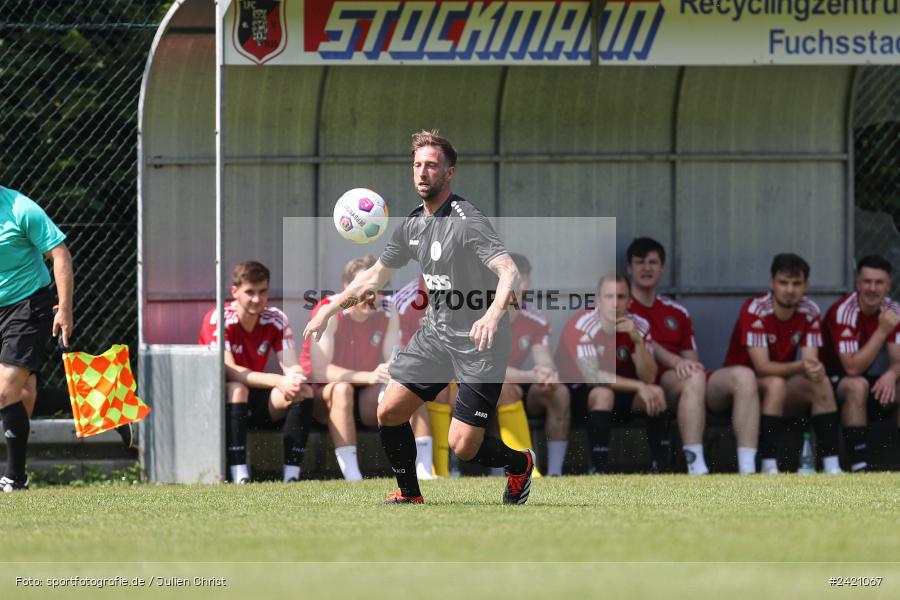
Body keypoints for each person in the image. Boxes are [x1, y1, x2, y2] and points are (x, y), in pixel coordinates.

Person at [304, 130, 535, 505]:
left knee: (464, 445)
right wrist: (330, 308)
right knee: (390, 411)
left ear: (449, 172)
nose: (422, 172)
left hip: (479, 344)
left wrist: (492, 316)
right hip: (436, 336)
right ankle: (409, 494)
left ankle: (519, 463)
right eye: (417, 165)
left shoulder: (467, 220)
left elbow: (509, 272)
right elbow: (375, 277)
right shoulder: (412, 225)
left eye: (431, 165)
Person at [626, 238, 759, 474]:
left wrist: (686, 365)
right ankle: (696, 465)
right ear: (629, 268)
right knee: (692, 377)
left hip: (686, 381)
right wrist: (677, 362)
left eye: (653, 262)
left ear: (663, 268)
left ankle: (748, 469)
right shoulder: (622, 309)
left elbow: (691, 358)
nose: (647, 268)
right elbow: (647, 342)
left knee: (744, 376)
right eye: (640, 262)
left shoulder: (677, 311)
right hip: (652, 381)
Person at [303, 256, 434, 481]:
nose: (372, 296)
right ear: (348, 287)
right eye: (365, 289)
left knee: (409, 388)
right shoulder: (327, 310)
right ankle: (353, 475)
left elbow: (392, 358)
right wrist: (372, 375)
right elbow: (320, 372)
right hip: (321, 396)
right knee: (342, 390)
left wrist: (395, 372)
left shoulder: (388, 309)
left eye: (379, 289)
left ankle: (424, 470)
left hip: (366, 396)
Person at [724, 253, 842, 474]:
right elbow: (762, 367)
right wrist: (803, 366)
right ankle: (768, 465)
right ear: (772, 283)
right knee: (774, 383)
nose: (790, 290)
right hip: (738, 388)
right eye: (783, 283)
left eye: (796, 283)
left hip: (775, 387)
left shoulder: (810, 310)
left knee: (821, 382)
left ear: (806, 285)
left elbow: (810, 362)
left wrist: (815, 370)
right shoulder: (755, 309)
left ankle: (832, 466)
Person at [199, 261, 312, 484]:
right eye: (249, 292)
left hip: (256, 395)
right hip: (214, 402)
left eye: (262, 292)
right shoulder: (219, 318)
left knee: (303, 391)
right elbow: (231, 371)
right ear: (235, 292)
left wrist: (295, 376)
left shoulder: (276, 318)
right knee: (237, 388)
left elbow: (290, 364)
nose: (256, 299)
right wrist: (278, 380)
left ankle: (291, 477)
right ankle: (239, 475)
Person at [0, 185, 73, 492]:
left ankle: (15, 479)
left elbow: (60, 253)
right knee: (23, 396)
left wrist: (65, 309)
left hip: (28, 306)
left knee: (4, 391)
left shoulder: (20, 209)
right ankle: (91, 401)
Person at [556, 273, 667, 474]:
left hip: (622, 393)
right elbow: (592, 376)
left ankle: (662, 467)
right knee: (602, 394)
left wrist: (637, 340)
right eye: (609, 297)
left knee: (656, 392)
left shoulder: (639, 326)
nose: (615, 304)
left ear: (630, 301)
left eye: (621, 297)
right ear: (598, 300)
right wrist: (639, 386)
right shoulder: (583, 324)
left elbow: (649, 378)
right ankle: (599, 469)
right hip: (580, 394)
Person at [821, 254, 900, 472]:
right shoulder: (844, 311)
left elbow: (898, 360)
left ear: (889, 286)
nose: (872, 288)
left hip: (862, 382)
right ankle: (860, 467)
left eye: (879, 282)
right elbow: (852, 368)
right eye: (867, 282)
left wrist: (892, 373)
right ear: (857, 284)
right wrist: (882, 331)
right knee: (857, 384)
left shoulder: (893, 311)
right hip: (827, 386)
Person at [496, 253, 569, 476]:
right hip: (476, 387)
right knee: (501, 389)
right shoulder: (484, 316)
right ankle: (508, 468)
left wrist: (547, 375)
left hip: (518, 386)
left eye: (522, 279)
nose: (517, 285)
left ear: (528, 284)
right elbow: (488, 370)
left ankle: (555, 473)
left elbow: (543, 359)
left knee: (560, 392)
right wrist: (531, 376)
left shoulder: (535, 318)